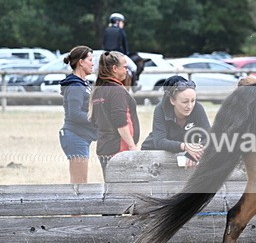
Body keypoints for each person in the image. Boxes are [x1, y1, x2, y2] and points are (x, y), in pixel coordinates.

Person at [89, 51, 140, 180]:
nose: (126, 71)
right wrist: (132, 147)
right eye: (125, 67)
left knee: (111, 190)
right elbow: (121, 123)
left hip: (104, 147)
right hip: (119, 150)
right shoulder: (117, 91)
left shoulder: (98, 90)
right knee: (122, 191)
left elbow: (94, 121)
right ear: (114, 69)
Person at [141, 75, 210, 167]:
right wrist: (185, 146)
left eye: (193, 101)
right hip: (153, 153)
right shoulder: (160, 109)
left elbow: (209, 136)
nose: (190, 106)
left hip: (183, 156)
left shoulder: (197, 108)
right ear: (172, 100)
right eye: (185, 102)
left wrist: (195, 153)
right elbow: (160, 141)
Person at [59, 45, 96, 184]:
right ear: (81, 62)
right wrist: (95, 120)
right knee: (80, 183)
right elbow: (74, 114)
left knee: (79, 183)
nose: (93, 64)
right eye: (90, 60)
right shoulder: (75, 86)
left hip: (80, 136)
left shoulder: (83, 84)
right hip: (75, 137)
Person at [102, 12, 144, 84]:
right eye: (122, 22)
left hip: (106, 55)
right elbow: (125, 46)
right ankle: (134, 85)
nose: (123, 24)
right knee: (134, 68)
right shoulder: (120, 31)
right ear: (117, 22)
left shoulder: (106, 30)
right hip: (118, 55)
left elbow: (104, 44)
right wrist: (125, 54)